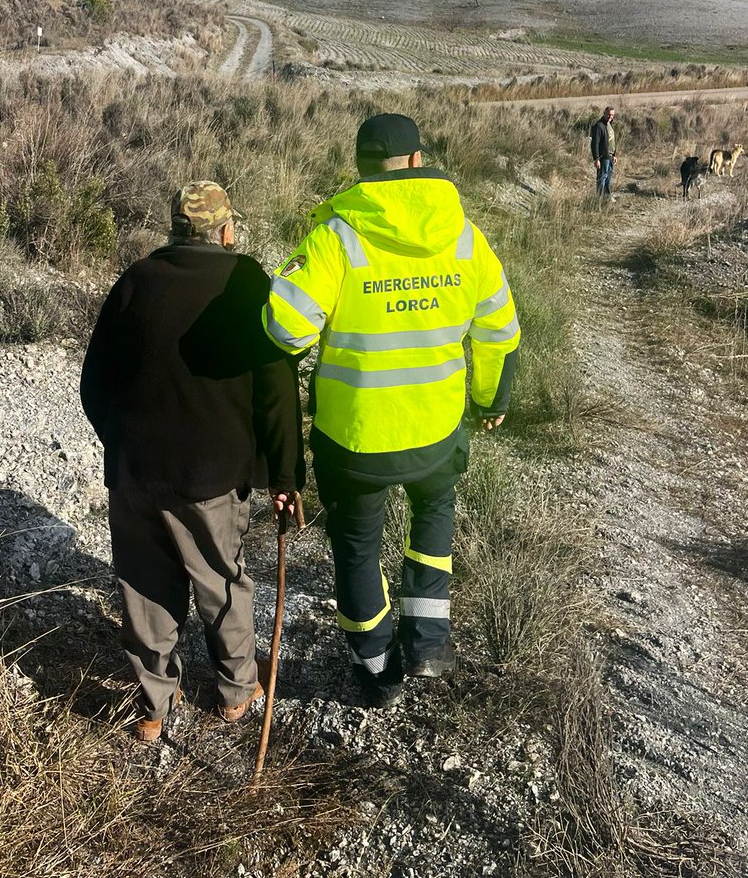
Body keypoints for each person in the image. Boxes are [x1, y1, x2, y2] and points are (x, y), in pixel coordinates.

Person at [263, 114, 520, 707]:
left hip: (354, 441)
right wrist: (488, 399)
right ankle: (428, 641)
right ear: (417, 159)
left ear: (360, 166)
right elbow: (500, 329)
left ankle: (378, 672)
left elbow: (284, 329)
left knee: (356, 549)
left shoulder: (337, 237)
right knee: (434, 517)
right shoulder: (464, 236)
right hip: (435, 430)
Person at [81, 181, 302, 742]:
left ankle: (153, 707)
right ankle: (234, 692)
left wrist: (124, 442)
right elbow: (277, 389)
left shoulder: (135, 281)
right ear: (227, 230)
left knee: (143, 583)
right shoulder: (247, 282)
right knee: (222, 581)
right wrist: (283, 475)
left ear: (175, 230)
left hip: (135, 472)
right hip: (211, 476)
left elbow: (93, 384)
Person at [590, 106, 617, 199]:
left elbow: (611, 141)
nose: (610, 117)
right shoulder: (599, 126)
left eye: (612, 115)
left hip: (610, 156)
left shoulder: (609, 125)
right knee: (602, 178)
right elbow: (595, 144)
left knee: (608, 177)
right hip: (603, 157)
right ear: (604, 113)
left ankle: (607, 196)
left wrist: (614, 155)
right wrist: (596, 159)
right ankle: (599, 198)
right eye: (608, 114)